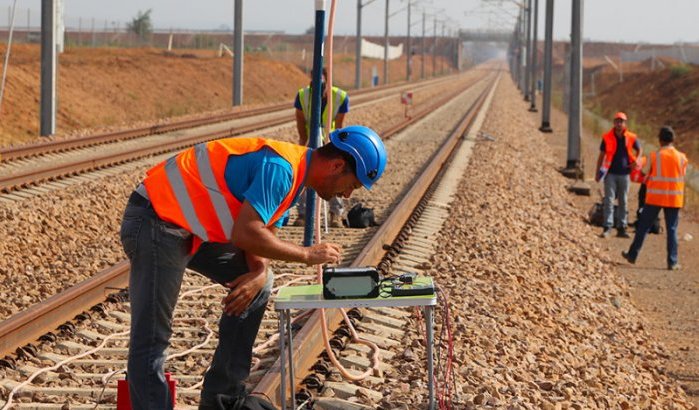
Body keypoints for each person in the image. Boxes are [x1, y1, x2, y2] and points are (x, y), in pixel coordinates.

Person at [119, 125, 387, 409]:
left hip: (190, 228)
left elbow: (263, 232)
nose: (346, 196)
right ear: (337, 165)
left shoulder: (295, 178)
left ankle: (223, 399)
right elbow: (246, 233)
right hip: (155, 220)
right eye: (352, 186)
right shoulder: (280, 169)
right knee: (152, 338)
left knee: (260, 284)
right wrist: (306, 255)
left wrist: (259, 273)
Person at [622, 126, 688, 270]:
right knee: (672, 229)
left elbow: (644, 172)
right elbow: (682, 175)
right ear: (673, 140)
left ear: (660, 140)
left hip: (655, 197)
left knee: (643, 226)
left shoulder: (655, 156)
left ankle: (632, 255)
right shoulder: (682, 157)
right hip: (674, 199)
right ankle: (672, 262)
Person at [293, 67, 350, 228]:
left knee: (336, 174)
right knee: (305, 173)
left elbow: (339, 124)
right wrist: (303, 140)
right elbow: (299, 119)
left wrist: (337, 146)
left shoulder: (340, 97)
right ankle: (303, 214)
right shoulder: (303, 95)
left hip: (331, 139)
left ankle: (335, 215)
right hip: (311, 139)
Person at [594, 111, 643, 238]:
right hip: (610, 173)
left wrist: (637, 160)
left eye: (621, 121)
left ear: (624, 123)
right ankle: (607, 227)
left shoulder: (631, 137)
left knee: (623, 201)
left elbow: (640, 149)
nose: (619, 124)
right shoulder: (607, 137)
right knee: (609, 200)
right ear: (614, 123)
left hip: (625, 174)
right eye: (617, 121)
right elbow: (601, 156)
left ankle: (622, 228)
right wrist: (597, 172)